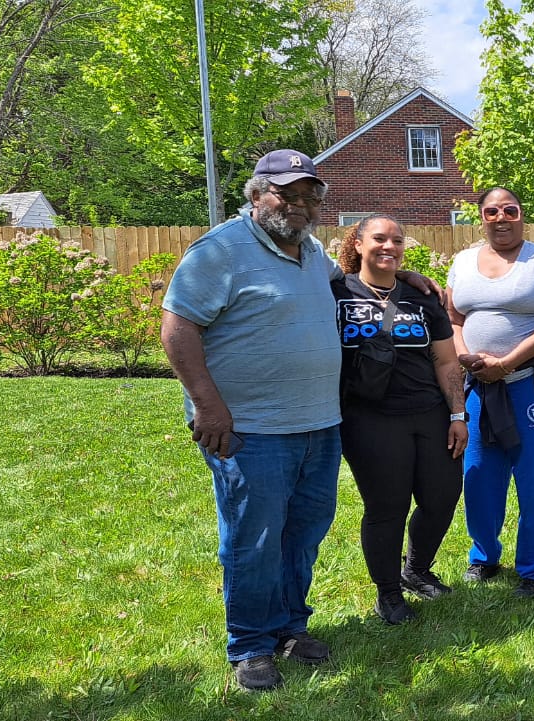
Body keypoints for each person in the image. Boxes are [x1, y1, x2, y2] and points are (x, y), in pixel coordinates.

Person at [160, 150, 343, 691]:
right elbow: (178, 328)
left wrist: (408, 277)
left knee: (303, 534)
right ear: (257, 194)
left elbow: (354, 278)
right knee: (253, 539)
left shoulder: (312, 254)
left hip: (318, 424)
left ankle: (289, 627)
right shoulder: (221, 249)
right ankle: (250, 646)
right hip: (251, 431)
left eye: (311, 194)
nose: (301, 203)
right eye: (287, 192)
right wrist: (209, 406)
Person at [333, 215, 467, 624]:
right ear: (357, 243)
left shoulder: (419, 295)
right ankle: (388, 593)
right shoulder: (336, 291)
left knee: (442, 497)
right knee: (386, 507)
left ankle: (416, 568)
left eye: (396, 240)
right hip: (368, 417)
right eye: (378, 238)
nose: (388, 246)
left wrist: (458, 414)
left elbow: (445, 360)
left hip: (428, 412)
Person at [447, 187, 534, 599]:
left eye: (510, 210)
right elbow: (454, 318)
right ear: (481, 217)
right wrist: (466, 356)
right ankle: (484, 556)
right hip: (477, 388)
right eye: (491, 211)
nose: (501, 217)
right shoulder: (462, 262)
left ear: (522, 214)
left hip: (528, 384)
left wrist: (507, 363)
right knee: (479, 477)